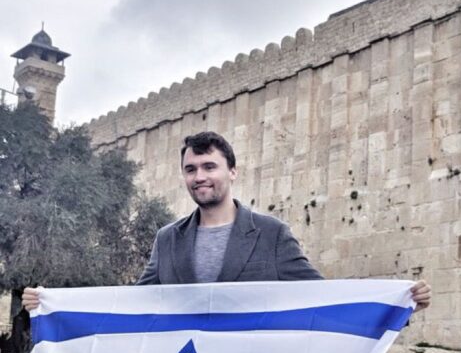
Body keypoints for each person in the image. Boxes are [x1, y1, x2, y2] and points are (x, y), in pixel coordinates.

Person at [22, 131, 431, 310]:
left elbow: (319, 296)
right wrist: (55, 303)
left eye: (209, 166)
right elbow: (137, 302)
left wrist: (396, 300)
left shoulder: (271, 235)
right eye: (191, 169)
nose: (199, 177)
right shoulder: (167, 239)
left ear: (231, 172)